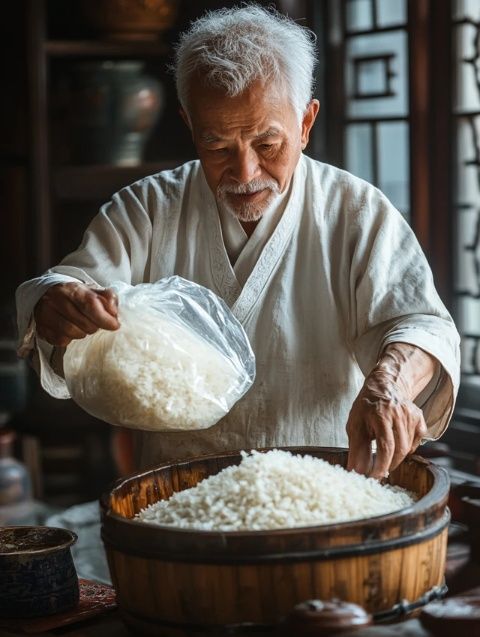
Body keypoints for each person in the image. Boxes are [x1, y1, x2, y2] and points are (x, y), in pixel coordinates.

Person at [16, 6, 460, 479]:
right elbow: (68, 287)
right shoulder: (145, 209)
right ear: (189, 125)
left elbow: (422, 325)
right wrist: (57, 306)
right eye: (217, 146)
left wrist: (389, 383)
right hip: (179, 501)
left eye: (267, 145)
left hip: (325, 496)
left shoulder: (355, 212)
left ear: (305, 123)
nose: (245, 173)